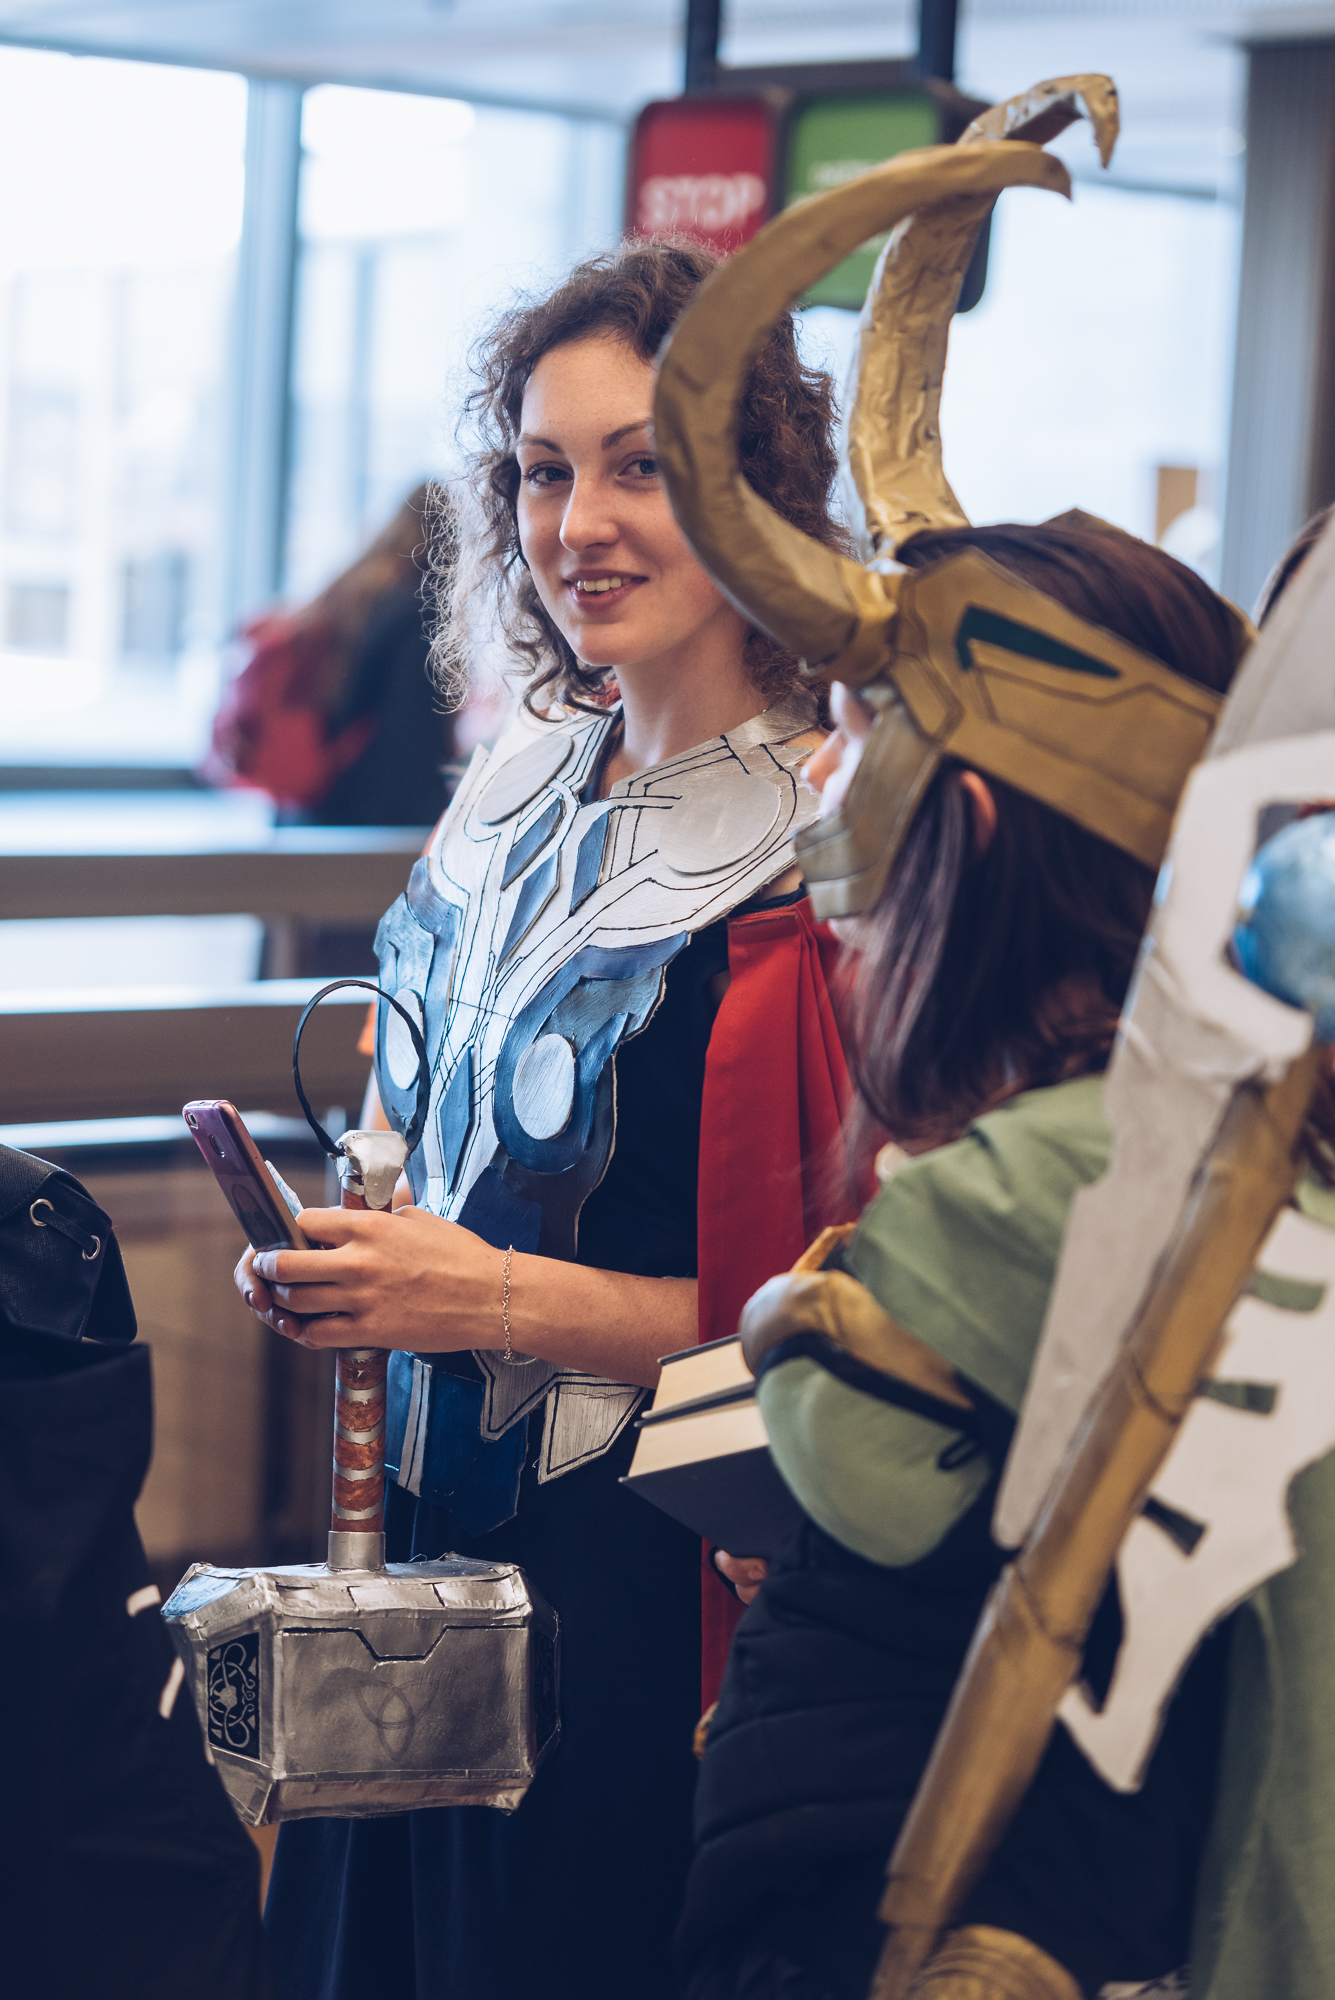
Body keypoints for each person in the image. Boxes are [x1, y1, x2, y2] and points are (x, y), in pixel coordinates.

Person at [642, 80, 1266, 1998]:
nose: (826, 792)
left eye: (863, 734)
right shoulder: (1238, 1132)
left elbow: (866, 1464)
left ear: (972, 817)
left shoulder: (1030, 1196)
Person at [235, 239, 852, 2000]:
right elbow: (414, 1141)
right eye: (543, 469)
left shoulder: (830, 845)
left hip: (654, 1593)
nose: (581, 522)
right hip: (416, 1548)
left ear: (756, 487)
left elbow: (833, 1319)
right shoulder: (504, 788)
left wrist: (479, 1297)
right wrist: (354, 1265)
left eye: (642, 466)